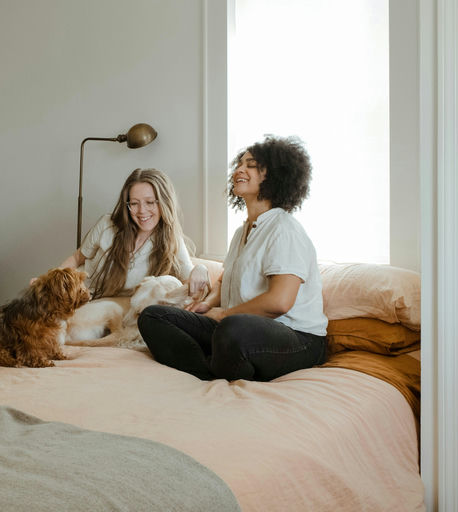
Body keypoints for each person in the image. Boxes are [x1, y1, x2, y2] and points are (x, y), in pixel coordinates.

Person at [137, 136, 328, 382]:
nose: (239, 169)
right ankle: (211, 370)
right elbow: (225, 278)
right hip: (236, 328)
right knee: (153, 316)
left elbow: (280, 302)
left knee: (232, 329)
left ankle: (220, 362)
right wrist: (207, 304)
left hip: (298, 340)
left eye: (250, 165)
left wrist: (224, 314)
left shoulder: (284, 229)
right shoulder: (242, 232)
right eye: (239, 163)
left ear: (274, 175)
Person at [59, 168, 209, 299]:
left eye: (150, 202)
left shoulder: (171, 239)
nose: (142, 211)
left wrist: (201, 269)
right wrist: (50, 279)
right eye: (134, 203)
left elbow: (189, 280)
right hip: (78, 296)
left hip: (113, 308)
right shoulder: (107, 225)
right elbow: (77, 258)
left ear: (164, 203)